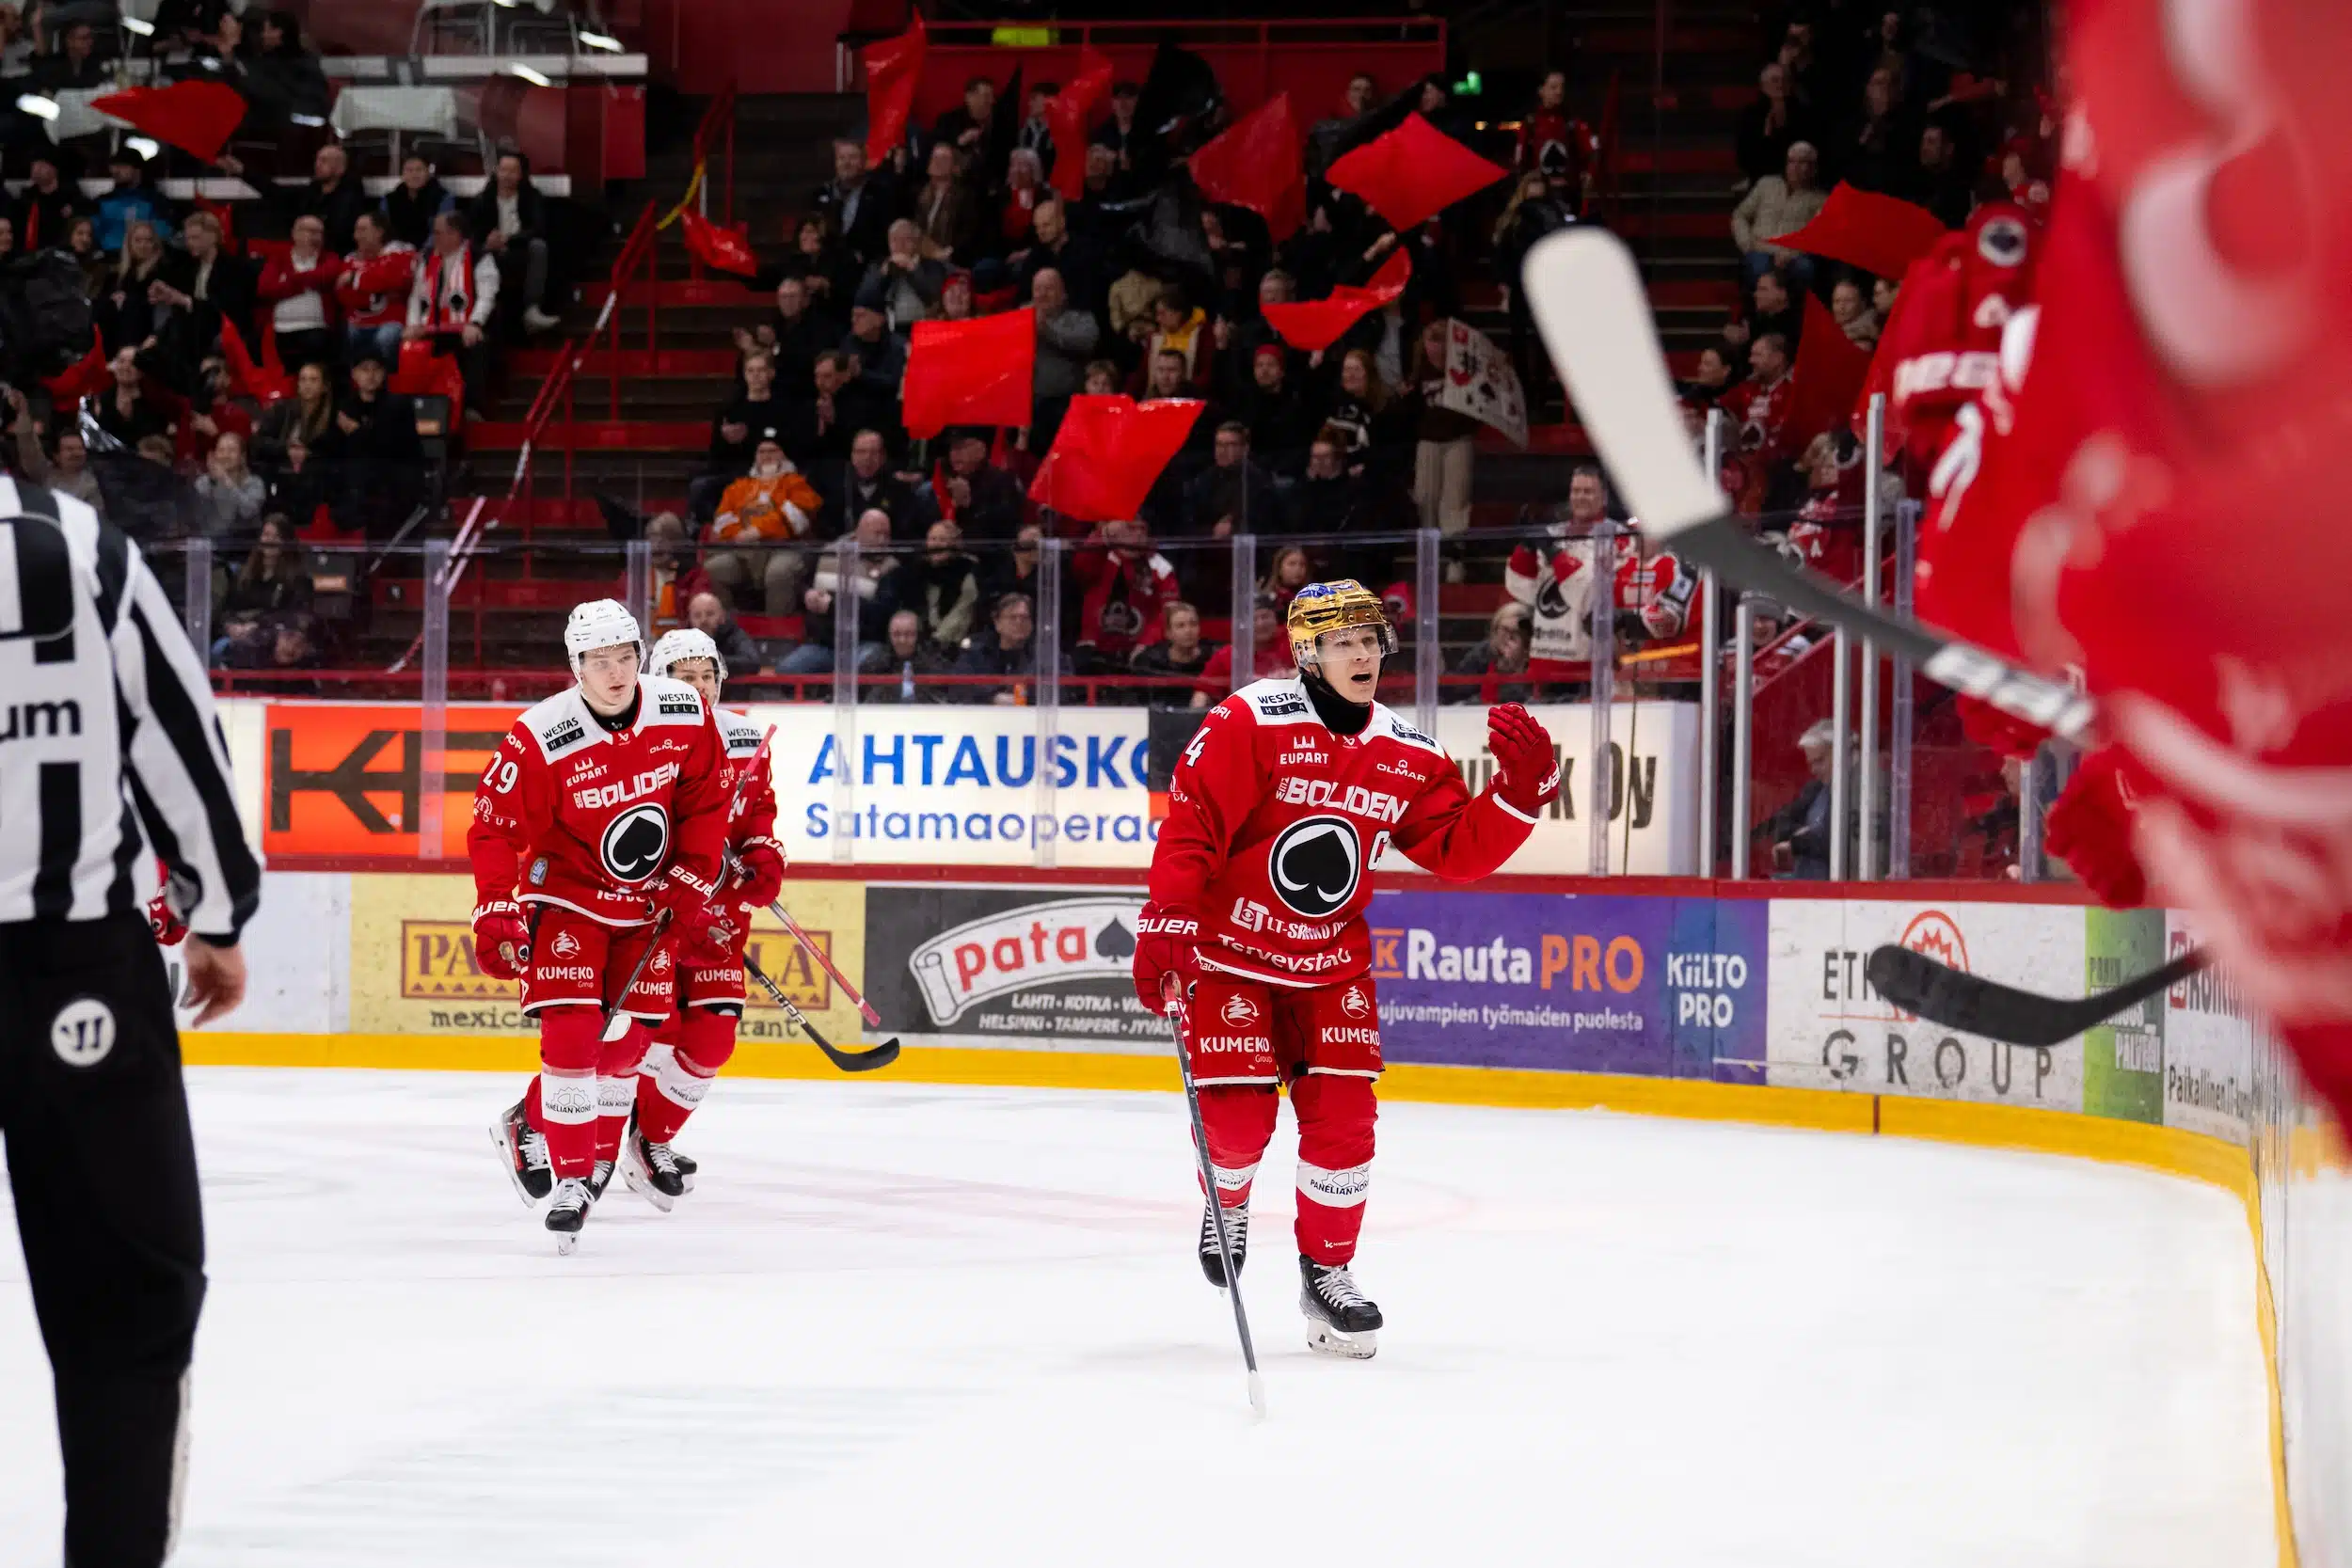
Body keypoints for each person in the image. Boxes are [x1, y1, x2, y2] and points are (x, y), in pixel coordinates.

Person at [1133, 580, 1558, 1356]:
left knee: (1346, 1123)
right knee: (1235, 1124)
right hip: (1231, 957)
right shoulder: (1250, 720)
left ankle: (1327, 1275)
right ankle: (1227, 1200)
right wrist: (1168, 920)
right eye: (1343, 642)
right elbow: (1194, 827)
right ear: (1307, 653)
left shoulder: (1409, 751)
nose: (1363, 655)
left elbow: (1456, 850)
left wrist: (1519, 797)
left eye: (1370, 640)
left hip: (1331, 965)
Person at [0, 472, 260, 1568]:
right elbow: (175, 730)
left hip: (78, 969)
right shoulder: (78, 544)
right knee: (126, 1319)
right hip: (73, 969)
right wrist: (217, 911)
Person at [473, 600, 736, 1251]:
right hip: (568, 897)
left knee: (622, 1050)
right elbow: (492, 828)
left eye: (625, 658)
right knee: (572, 1036)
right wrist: (496, 905)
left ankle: (527, 1120)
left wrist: (693, 875)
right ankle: (572, 1181)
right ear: (576, 666)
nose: (615, 673)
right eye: (599, 661)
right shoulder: (541, 734)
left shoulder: (681, 710)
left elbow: (706, 799)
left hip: (645, 907)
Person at [623, 628, 788, 1205]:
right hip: (661, 907)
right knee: (653, 1031)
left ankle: (651, 1138)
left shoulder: (745, 738)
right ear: (657, 682)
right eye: (684, 677)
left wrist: (764, 857)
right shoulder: (642, 739)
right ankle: (612, 1137)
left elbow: (758, 814)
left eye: (707, 676)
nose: (698, 687)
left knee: (714, 1037)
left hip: (719, 912)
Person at [708, 438, 822, 616]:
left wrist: (759, 530)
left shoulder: (797, 484)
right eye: (762, 452)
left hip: (785, 549)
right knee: (714, 569)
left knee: (778, 573)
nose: (767, 456)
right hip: (744, 552)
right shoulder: (739, 487)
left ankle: (776, 629)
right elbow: (722, 521)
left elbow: (798, 519)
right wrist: (741, 533)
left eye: (773, 451)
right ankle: (726, 625)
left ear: (783, 455)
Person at [404, 210, 499, 411]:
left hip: (467, 328)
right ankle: (416, 408)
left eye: (438, 233)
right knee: (409, 346)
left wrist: (475, 323)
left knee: (475, 346)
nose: (433, 238)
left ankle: (472, 408)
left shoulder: (479, 257)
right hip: (432, 327)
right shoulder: (427, 257)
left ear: (455, 234)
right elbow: (416, 296)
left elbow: (487, 296)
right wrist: (413, 325)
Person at [465, 150, 561, 335]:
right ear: (496, 172)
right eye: (503, 170)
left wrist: (508, 239)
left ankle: (532, 310)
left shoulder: (532, 197)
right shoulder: (483, 199)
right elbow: (473, 232)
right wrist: (488, 243)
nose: (507, 176)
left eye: (512, 171)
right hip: (490, 252)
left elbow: (538, 229)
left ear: (521, 175)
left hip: (519, 250)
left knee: (539, 247)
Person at [1072, 516, 1180, 677]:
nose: (1138, 534)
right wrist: (1104, 534)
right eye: (1131, 528)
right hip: (1095, 648)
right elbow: (1080, 568)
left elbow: (1169, 612)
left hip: (1140, 651)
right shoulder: (1100, 556)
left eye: (1142, 529)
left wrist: (1146, 643)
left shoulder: (1159, 565)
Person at [1731, 142, 1825, 292]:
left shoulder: (1820, 199)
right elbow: (1740, 215)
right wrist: (1747, 244)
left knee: (1804, 268)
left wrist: (1792, 253)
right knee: (1758, 267)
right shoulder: (1766, 184)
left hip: (1793, 255)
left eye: (1802, 162)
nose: (1795, 167)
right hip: (1759, 249)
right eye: (1791, 161)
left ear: (1813, 169)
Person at [255, 213, 342, 372]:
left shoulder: (330, 258)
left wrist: (291, 280)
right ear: (295, 234)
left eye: (319, 233)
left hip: (316, 327)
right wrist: (301, 286)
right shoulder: (278, 259)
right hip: (280, 328)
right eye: (309, 231)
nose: (314, 237)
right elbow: (265, 288)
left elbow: (327, 276)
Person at [334, 210, 416, 365]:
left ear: (379, 232)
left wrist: (354, 278)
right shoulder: (350, 259)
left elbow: (396, 280)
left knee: (386, 337)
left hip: (391, 321)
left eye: (362, 230)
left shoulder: (401, 252)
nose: (356, 236)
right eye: (355, 231)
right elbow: (343, 295)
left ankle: (389, 380)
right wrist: (378, 292)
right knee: (347, 336)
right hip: (356, 323)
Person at [1759, 719, 1838, 878]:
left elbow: (1832, 841)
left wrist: (1796, 844)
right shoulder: (1815, 789)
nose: (1814, 770)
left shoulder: (1852, 793)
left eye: (1820, 761)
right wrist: (1803, 836)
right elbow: (1782, 823)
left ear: (1838, 753)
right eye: (1811, 763)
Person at [953, 590, 1059, 705]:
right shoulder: (976, 654)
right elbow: (958, 686)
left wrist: (1021, 697)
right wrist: (992, 697)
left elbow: (1061, 690)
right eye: (1012, 617)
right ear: (997, 622)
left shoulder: (1046, 655)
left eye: (1025, 617)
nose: (1019, 622)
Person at [1192, 590, 1288, 707]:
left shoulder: (1293, 643)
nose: (1260, 624)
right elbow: (1202, 692)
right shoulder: (1227, 655)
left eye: (1265, 616)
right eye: (1254, 619)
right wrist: (1195, 714)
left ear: (1276, 618)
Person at [898, 518, 980, 653]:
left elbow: (963, 611)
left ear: (954, 544)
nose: (936, 544)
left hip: (953, 641)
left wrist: (937, 639)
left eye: (942, 540)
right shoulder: (917, 570)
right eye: (933, 539)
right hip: (921, 641)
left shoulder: (967, 571)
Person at [860, 607, 956, 704]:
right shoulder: (875, 663)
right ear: (889, 635)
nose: (902, 640)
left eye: (909, 634)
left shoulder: (936, 663)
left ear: (918, 635)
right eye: (896, 634)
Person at [1450, 601, 1534, 705]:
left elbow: (1529, 697)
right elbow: (1460, 689)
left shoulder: (1532, 657)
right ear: (1495, 629)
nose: (1509, 637)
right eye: (1505, 630)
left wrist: (1516, 666)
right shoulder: (1482, 653)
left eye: (1516, 632)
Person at [685, 590, 764, 692]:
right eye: (697, 615)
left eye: (710, 614)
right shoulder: (681, 638)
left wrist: (712, 661)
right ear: (689, 619)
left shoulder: (734, 633)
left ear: (722, 616)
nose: (703, 620)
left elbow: (753, 663)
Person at [1132, 597, 1214, 694]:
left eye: (1193, 624)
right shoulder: (1150, 662)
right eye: (1180, 626)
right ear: (1168, 633)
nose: (1188, 631)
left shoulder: (1212, 658)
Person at [194, 429, 266, 538]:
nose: (225, 455)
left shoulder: (255, 483)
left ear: (242, 457)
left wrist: (226, 481)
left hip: (243, 542)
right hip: (210, 540)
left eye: (231, 451)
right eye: (221, 450)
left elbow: (248, 511)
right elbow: (196, 512)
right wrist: (212, 482)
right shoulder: (204, 481)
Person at [380, 151, 453, 250]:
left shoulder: (442, 197)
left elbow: (442, 232)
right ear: (403, 174)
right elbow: (383, 231)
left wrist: (422, 253)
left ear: (428, 172)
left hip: (430, 252)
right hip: (395, 252)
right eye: (409, 170)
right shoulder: (390, 199)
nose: (414, 175)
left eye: (419, 170)